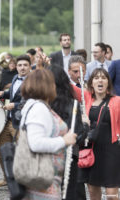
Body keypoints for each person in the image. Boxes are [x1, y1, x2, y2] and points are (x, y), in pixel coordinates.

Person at [20, 69, 77, 199]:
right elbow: (35, 143)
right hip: (43, 178)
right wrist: (64, 140)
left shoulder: (33, 105)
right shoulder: (39, 108)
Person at [73, 68, 120, 200]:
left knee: (112, 195)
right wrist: (49, 66)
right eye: (96, 78)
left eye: (103, 78)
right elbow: (65, 85)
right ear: (91, 83)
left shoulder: (117, 101)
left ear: (108, 83)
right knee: (93, 193)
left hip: (111, 151)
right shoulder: (87, 97)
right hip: (91, 150)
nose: (100, 80)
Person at [48, 65, 88, 200]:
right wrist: (86, 125)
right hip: (69, 155)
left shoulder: (42, 104)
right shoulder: (73, 104)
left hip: (47, 155)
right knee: (70, 193)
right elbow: (80, 136)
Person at [0, 55, 31, 187]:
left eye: (25, 65)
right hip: (8, 120)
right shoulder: (15, 77)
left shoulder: (33, 81)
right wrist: (3, 93)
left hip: (22, 123)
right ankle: (7, 178)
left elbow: (31, 100)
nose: (22, 68)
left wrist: (14, 105)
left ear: (29, 67)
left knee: (22, 154)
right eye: (20, 65)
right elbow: (14, 93)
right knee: (0, 152)